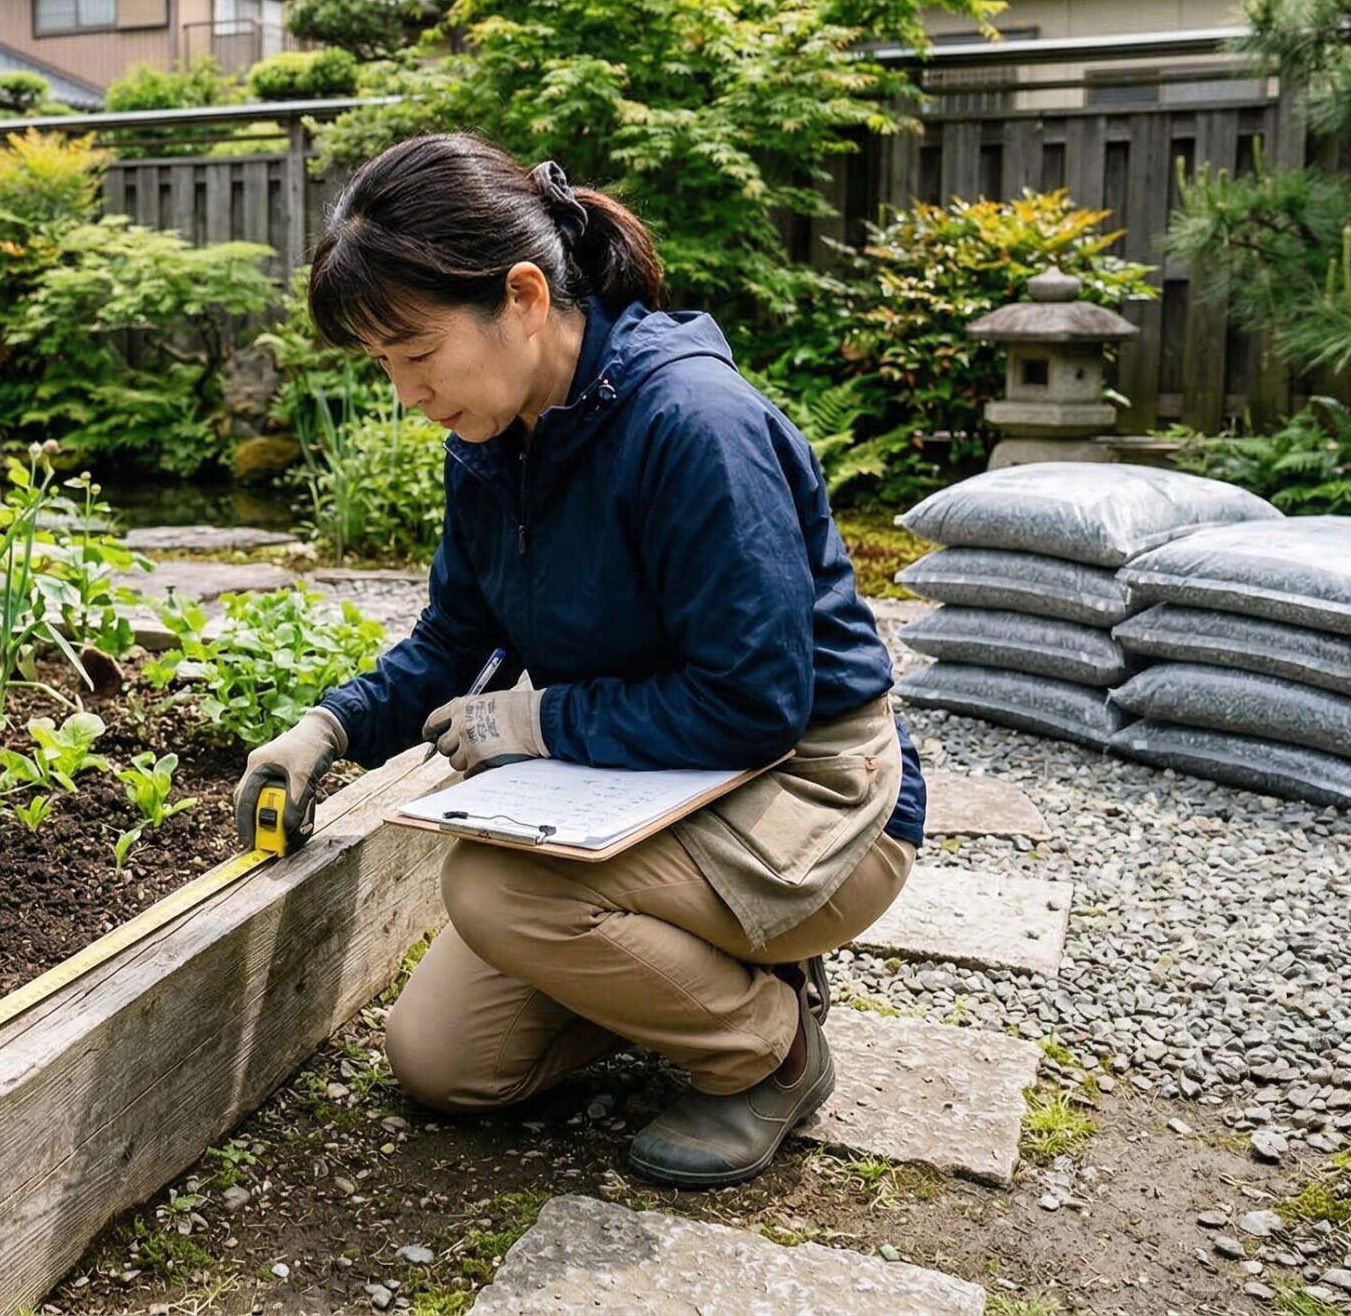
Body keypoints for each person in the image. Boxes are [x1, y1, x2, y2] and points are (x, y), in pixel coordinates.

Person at [230, 133, 927, 1190]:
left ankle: (770, 1053)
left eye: (415, 353)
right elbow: (454, 641)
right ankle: (704, 971)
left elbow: (754, 704)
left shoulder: (693, 426)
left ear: (519, 295)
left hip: (809, 785)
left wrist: (532, 722)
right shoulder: (496, 439)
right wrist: (328, 727)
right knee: (444, 1065)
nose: (405, 391)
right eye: (382, 365)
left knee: (501, 891)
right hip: (642, 782)